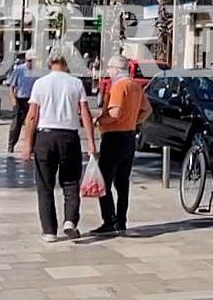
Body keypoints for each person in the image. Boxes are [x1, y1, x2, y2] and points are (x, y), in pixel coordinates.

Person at [17, 48, 95, 242]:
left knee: (45, 185)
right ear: (66, 63)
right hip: (69, 137)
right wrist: (91, 143)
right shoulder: (76, 83)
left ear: (49, 62)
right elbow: (85, 112)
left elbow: (32, 115)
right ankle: (70, 221)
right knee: (70, 183)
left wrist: (27, 144)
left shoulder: (40, 84)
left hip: (45, 137)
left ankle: (49, 230)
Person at [93, 57, 151, 236]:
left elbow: (115, 113)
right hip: (129, 137)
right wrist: (134, 122)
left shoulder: (119, 86)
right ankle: (121, 220)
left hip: (114, 137)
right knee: (122, 182)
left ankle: (109, 220)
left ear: (116, 69)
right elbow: (147, 109)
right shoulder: (134, 86)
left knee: (104, 180)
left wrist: (99, 120)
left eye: (109, 68)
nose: (108, 72)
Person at [7, 53, 36, 153]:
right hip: (20, 99)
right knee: (16, 124)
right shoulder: (19, 70)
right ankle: (11, 144)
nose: (31, 63)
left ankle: (31, 145)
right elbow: (11, 86)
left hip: (32, 100)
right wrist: (13, 100)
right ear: (26, 60)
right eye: (29, 61)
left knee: (33, 124)